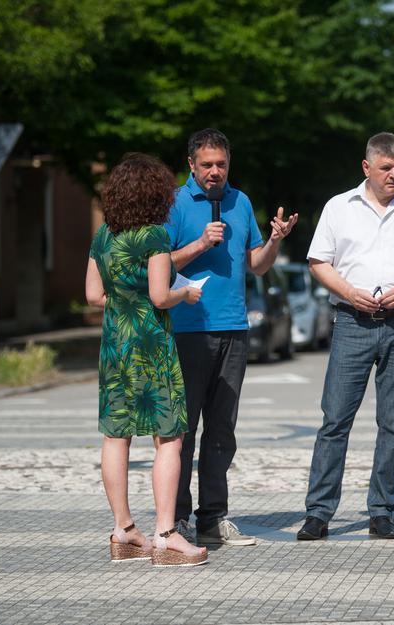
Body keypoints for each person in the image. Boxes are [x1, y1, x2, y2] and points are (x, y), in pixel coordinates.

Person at [297, 132, 394, 541]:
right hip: (352, 322)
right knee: (335, 419)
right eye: (386, 168)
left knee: (393, 422)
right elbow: (318, 261)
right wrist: (349, 292)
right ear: (367, 168)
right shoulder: (338, 208)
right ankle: (318, 512)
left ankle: (382, 510)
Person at [165, 128, 297, 547]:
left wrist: (274, 241)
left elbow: (256, 264)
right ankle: (179, 518)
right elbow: (159, 263)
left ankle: (214, 518)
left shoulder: (240, 203)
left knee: (222, 430)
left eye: (221, 164)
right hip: (187, 329)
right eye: (206, 165)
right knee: (182, 432)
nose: (215, 172)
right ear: (191, 164)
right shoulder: (174, 203)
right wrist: (200, 243)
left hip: (234, 329)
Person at [86, 153, 208, 567]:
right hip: (151, 345)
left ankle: (123, 530)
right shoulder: (154, 236)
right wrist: (185, 294)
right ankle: (166, 535)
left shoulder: (104, 235)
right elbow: (159, 296)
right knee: (169, 437)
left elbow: (91, 295)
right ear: (155, 194)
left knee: (116, 435)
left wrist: (122, 301)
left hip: (114, 344)